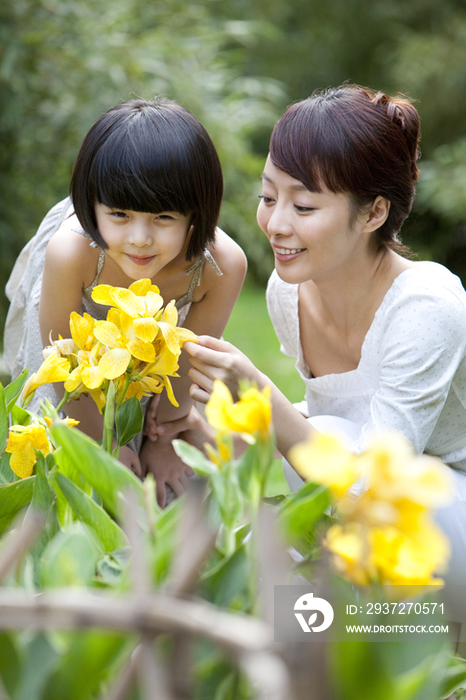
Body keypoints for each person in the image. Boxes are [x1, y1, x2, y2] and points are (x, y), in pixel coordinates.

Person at [155, 85, 466, 605]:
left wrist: (261, 397)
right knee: (239, 468)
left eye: (303, 205)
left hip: (442, 511)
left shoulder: (425, 307)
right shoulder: (288, 291)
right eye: (269, 196)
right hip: (359, 508)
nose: (276, 224)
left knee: (306, 438)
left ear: (373, 213)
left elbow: (373, 487)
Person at [4, 98, 247, 507]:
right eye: (119, 214)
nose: (139, 238)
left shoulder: (220, 266)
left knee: (171, 494)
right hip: (69, 354)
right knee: (59, 461)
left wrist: (164, 438)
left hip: (149, 356)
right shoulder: (71, 252)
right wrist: (108, 446)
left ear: (196, 214)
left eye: (163, 218)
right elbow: (66, 366)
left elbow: (188, 362)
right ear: (92, 205)